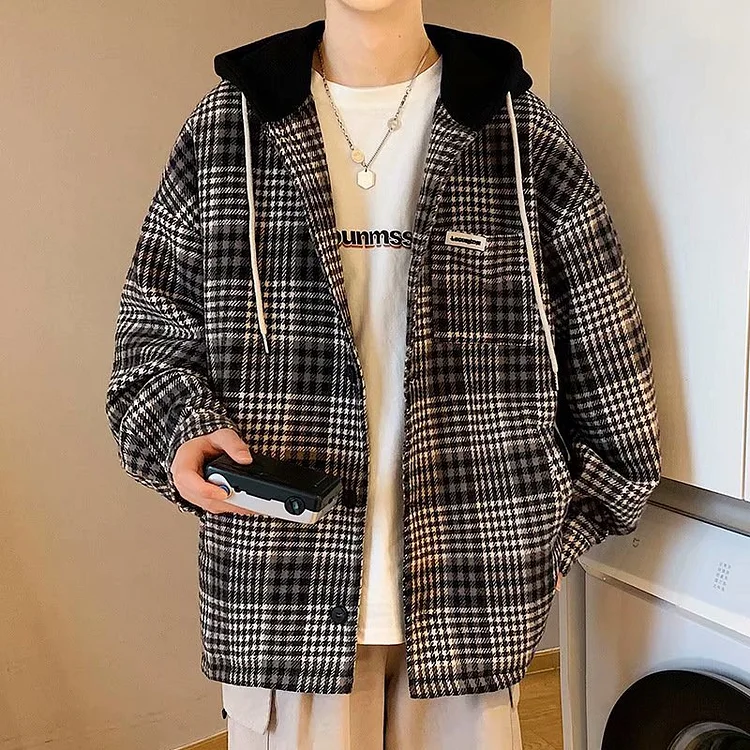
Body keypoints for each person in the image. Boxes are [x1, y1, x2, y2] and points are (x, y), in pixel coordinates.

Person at [105, 1, 662, 748]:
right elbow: (147, 347)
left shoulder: (521, 137)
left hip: (473, 606)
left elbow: (615, 381)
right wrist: (183, 434)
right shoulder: (225, 132)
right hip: (282, 599)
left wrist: (556, 538)